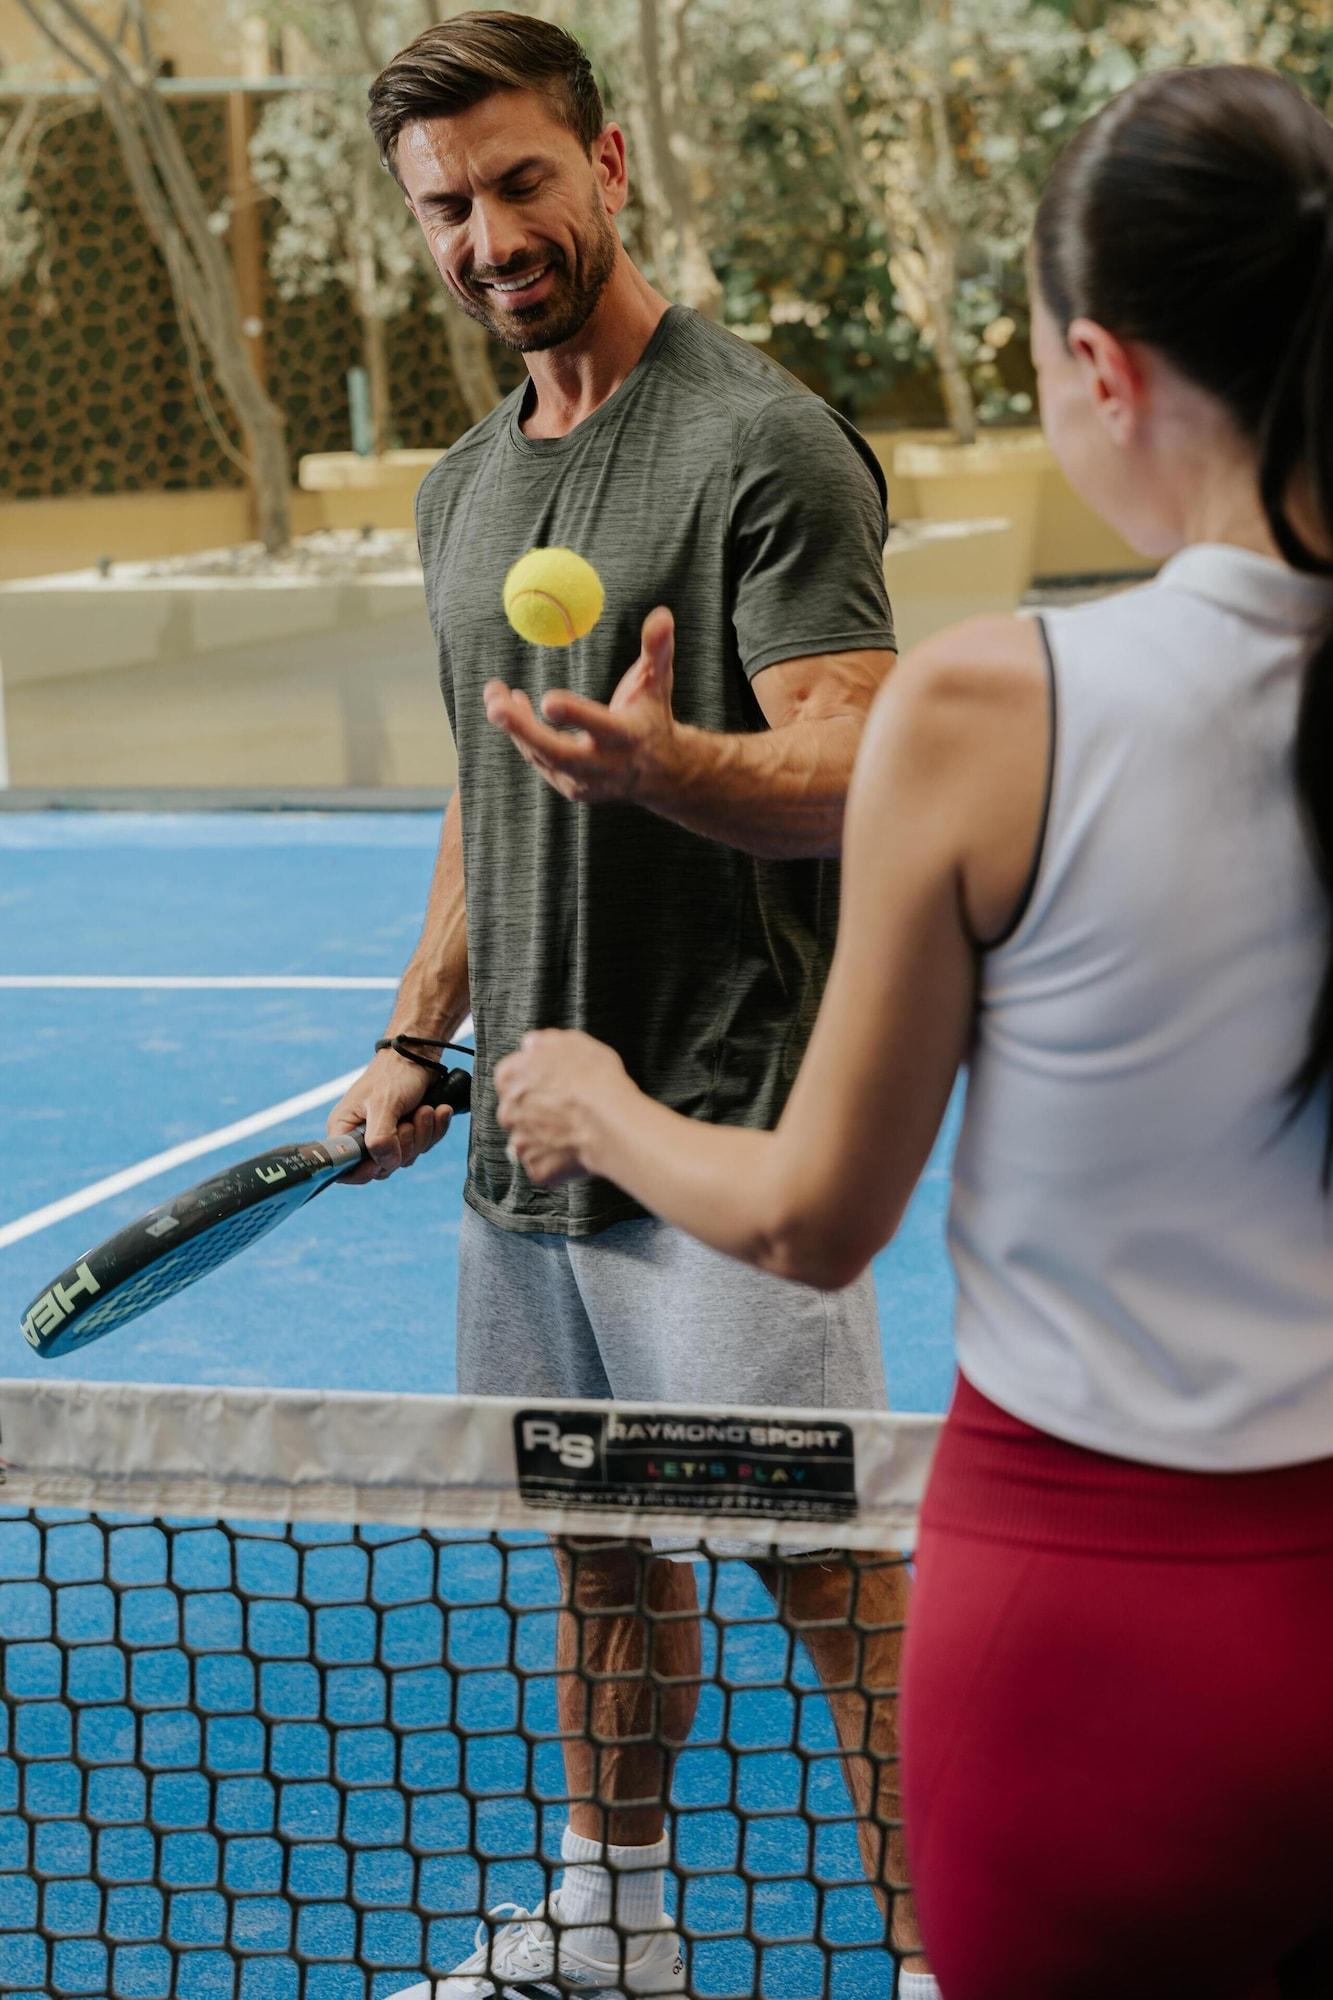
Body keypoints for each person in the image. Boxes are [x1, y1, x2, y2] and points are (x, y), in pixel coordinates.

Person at [496, 61, 1333, 2000]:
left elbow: (810, 1215)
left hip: (1087, 1636)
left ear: (1098, 369)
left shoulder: (989, 707)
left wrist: (595, 1099)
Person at [331, 12, 936, 1999]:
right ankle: (613, 1926)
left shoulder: (757, 440)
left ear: (602, 159)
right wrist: (421, 1033)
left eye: (519, 180)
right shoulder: (459, 493)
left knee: (831, 1573)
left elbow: (855, 760)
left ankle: (960, 1959)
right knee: (601, 1547)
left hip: (726, 1138)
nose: (490, 232)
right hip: (532, 1149)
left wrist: (666, 765)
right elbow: (477, 785)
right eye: (449, 204)